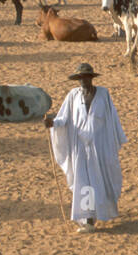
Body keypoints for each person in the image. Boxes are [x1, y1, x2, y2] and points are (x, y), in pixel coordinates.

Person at [44, 63, 127, 234]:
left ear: (92, 78)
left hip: (100, 146)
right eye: (80, 78)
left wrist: (114, 141)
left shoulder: (103, 94)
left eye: (86, 77)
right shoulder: (73, 96)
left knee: (101, 179)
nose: (84, 80)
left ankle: (100, 213)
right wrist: (53, 123)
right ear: (77, 80)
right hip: (80, 147)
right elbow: (63, 118)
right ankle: (88, 219)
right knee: (84, 182)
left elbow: (112, 119)